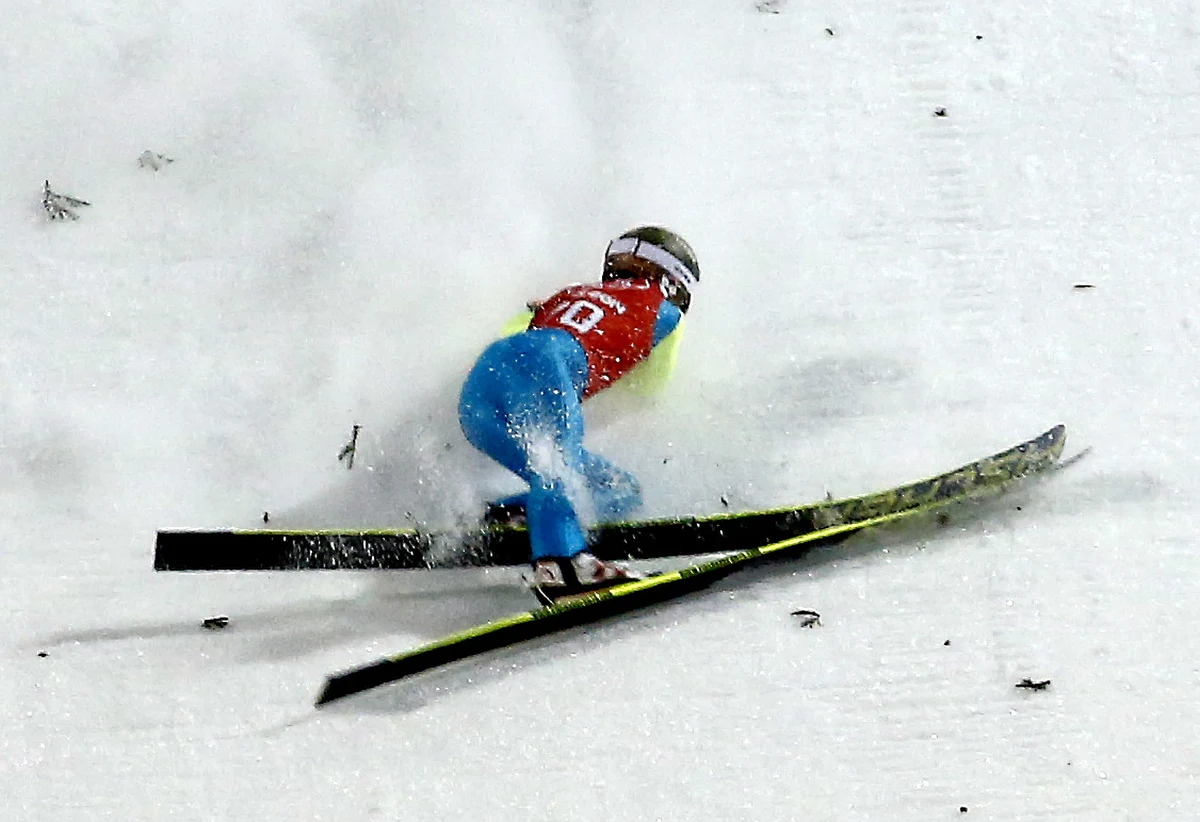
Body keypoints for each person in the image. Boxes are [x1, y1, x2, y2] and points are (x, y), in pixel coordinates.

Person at [458, 226, 700, 601]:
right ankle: (564, 565)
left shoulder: (571, 294)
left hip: (482, 386)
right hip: (546, 368)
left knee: (619, 489)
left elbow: (516, 335)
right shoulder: (663, 310)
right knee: (558, 470)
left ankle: (513, 515)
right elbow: (647, 390)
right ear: (671, 281)